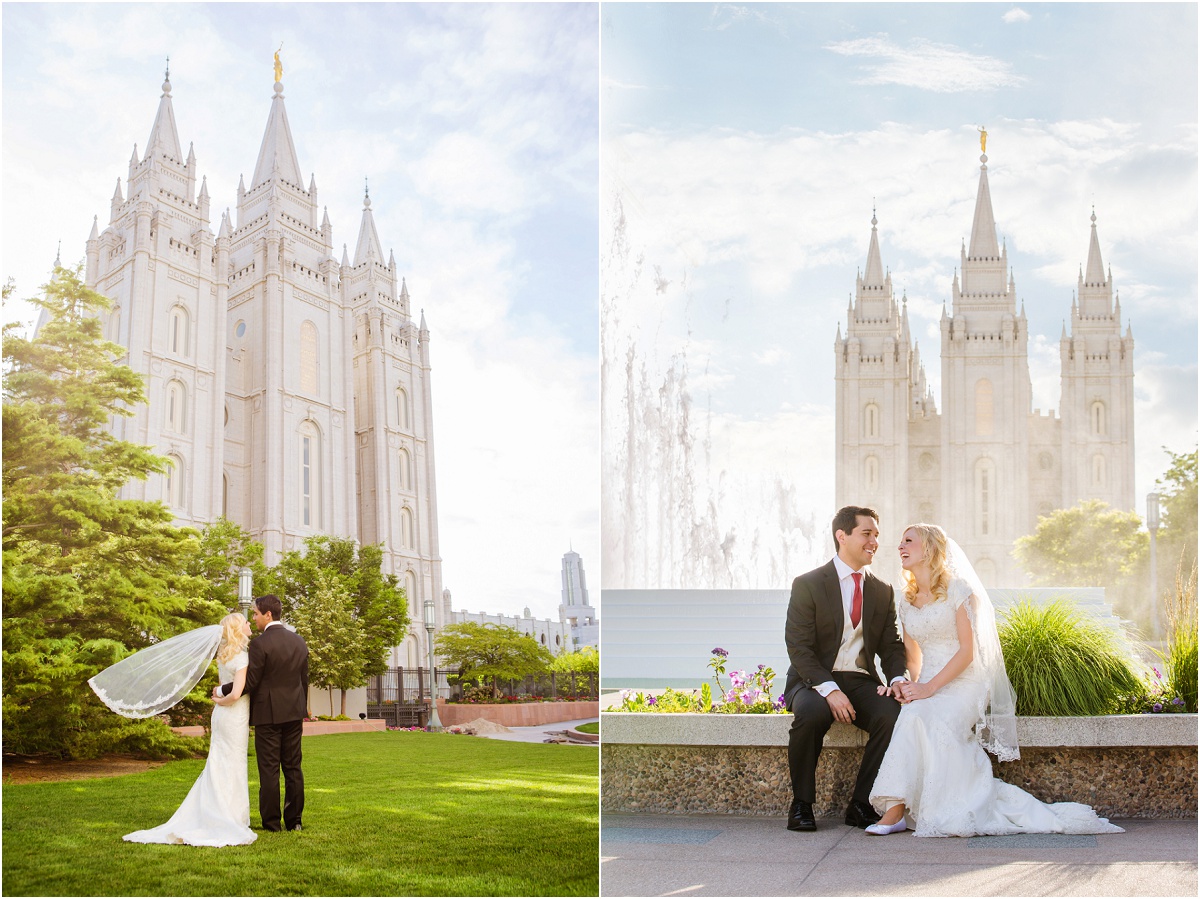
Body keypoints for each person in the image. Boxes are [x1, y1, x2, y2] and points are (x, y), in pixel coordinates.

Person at [866, 523, 1124, 837]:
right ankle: (898, 811)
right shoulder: (905, 600)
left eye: (909, 541)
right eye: (900, 542)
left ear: (929, 549)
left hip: (965, 682)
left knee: (921, 715)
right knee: (912, 712)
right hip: (929, 683)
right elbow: (913, 656)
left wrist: (928, 688)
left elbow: (967, 653)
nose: (900, 547)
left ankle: (897, 812)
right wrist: (907, 686)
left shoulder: (959, 590)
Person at [782, 505, 909, 832]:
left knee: (891, 713)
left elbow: (891, 644)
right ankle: (801, 804)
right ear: (842, 535)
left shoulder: (882, 590)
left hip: (859, 679)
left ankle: (861, 804)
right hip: (812, 681)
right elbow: (799, 647)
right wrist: (830, 690)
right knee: (812, 714)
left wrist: (897, 678)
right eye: (867, 533)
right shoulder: (808, 584)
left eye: (876, 535)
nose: (874, 541)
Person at [123, 612, 257, 846]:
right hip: (233, 715)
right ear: (238, 629)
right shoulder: (243, 657)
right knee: (233, 763)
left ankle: (218, 812)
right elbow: (236, 694)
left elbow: (225, 688)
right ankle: (231, 817)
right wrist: (222, 700)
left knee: (218, 762)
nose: (248, 624)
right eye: (245, 622)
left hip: (221, 717)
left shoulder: (224, 655)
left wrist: (218, 700)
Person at [216, 594, 309, 832]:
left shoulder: (259, 644)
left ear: (268, 614)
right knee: (293, 768)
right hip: (294, 714)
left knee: (268, 770)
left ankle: (271, 823)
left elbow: (250, 682)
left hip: (268, 716)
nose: (254, 618)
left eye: (256, 613)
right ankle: (295, 821)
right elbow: (303, 681)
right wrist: (301, 709)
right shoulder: (299, 641)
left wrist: (221, 689)